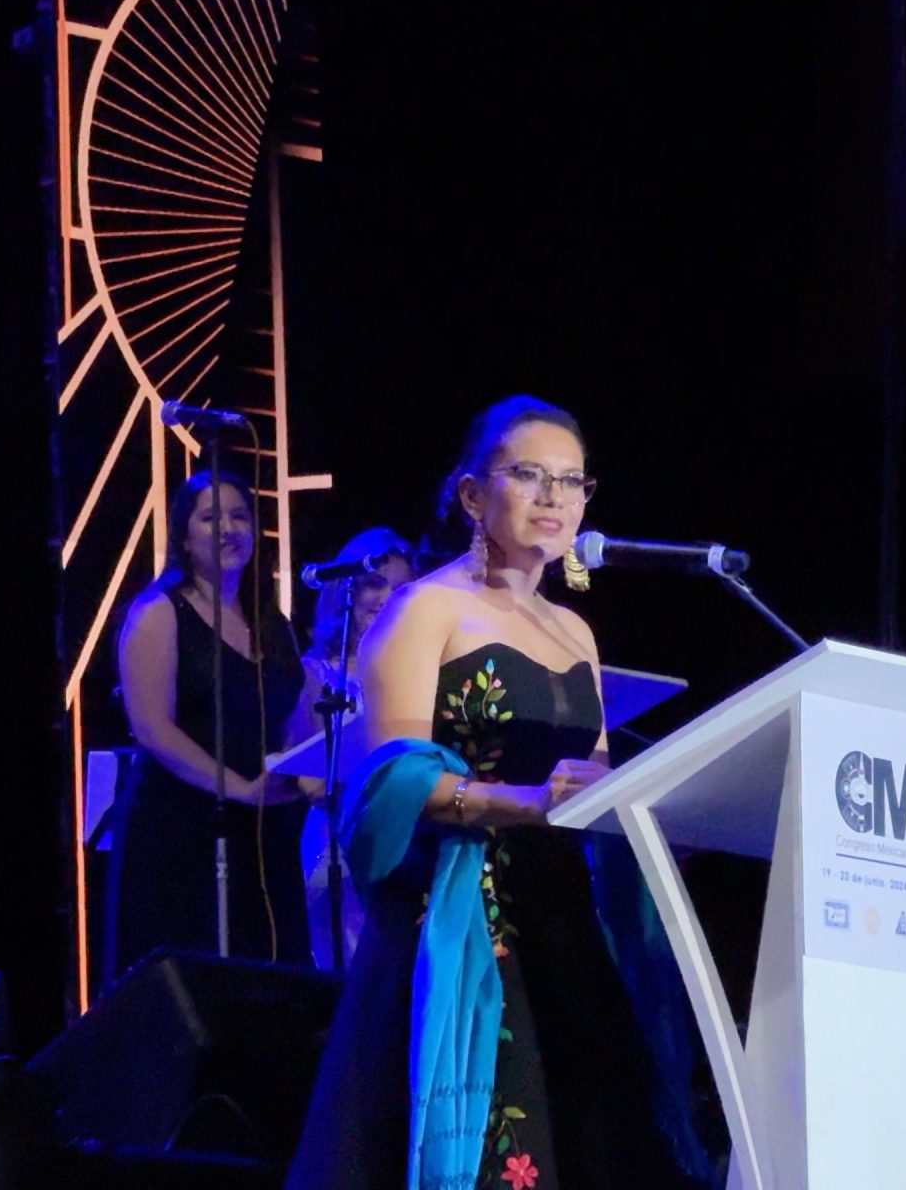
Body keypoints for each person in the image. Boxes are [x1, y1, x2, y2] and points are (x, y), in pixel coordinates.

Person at [287, 397, 702, 1189]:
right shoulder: (425, 609)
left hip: (562, 926)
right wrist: (527, 802)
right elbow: (389, 784)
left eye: (572, 481)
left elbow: (591, 785)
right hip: (455, 917)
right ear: (474, 495)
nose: (554, 497)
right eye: (529, 475)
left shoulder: (576, 633)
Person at [107, 470, 310, 973]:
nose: (228, 529)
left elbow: (294, 713)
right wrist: (238, 788)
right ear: (182, 536)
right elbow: (153, 729)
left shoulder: (274, 624)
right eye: (210, 518)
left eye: (239, 516)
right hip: (182, 829)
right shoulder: (159, 612)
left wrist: (301, 772)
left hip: (263, 830)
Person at [291, 527, 416, 969]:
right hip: (337, 841)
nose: (386, 599)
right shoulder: (315, 673)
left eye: (401, 589)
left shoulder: (417, 673)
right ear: (347, 591)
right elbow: (306, 778)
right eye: (374, 584)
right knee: (347, 968)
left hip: (406, 838)